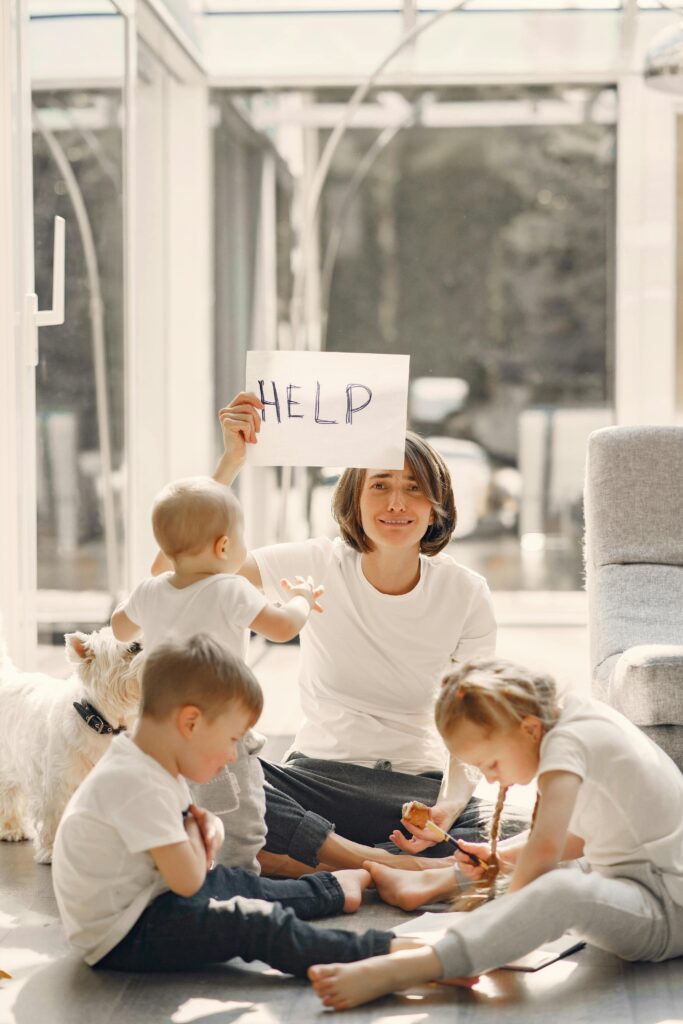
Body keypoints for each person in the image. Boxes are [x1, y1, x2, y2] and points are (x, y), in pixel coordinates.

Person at [210, 392, 520, 878]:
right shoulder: (318, 562)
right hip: (313, 782)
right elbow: (187, 563)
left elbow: (474, 725)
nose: (397, 503)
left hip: (413, 793)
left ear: (437, 506)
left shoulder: (466, 594)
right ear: (354, 497)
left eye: (414, 488)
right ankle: (376, 864)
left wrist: (447, 809)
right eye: (380, 485)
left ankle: (329, 865)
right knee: (216, 769)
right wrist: (231, 461)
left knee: (543, 833)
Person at [306, 657, 683, 1010]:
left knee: (560, 888)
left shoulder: (568, 744)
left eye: (490, 763)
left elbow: (547, 848)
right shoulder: (574, 719)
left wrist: (508, 923)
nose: (489, 778)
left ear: (529, 729)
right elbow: (580, 837)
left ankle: (418, 966)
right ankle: (440, 895)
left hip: (665, 909)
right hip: (641, 884)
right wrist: (500, 859)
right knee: (549, 872)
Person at [52, 634, 412, 975]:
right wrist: (204, 836)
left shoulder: (150, 763)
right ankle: (380, 952)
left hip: (146, 898)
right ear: (190, 722)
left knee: (238, 883)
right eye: (232, 739)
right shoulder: (136, 784)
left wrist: (201, 831)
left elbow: (188, 852)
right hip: (125, 933)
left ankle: (331, 891)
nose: (230, 755)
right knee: (251, 923)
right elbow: (190, 880)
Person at [110, 476, 323, 873]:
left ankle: (184, 874)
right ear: (224, 546)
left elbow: (120, 630)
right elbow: (282, 628)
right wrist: (302, 599)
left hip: (162, 732)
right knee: (238, 819)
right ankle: (238, 881)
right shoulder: (230, 588)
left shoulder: (149, 591)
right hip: (219, 732)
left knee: (177, 809)